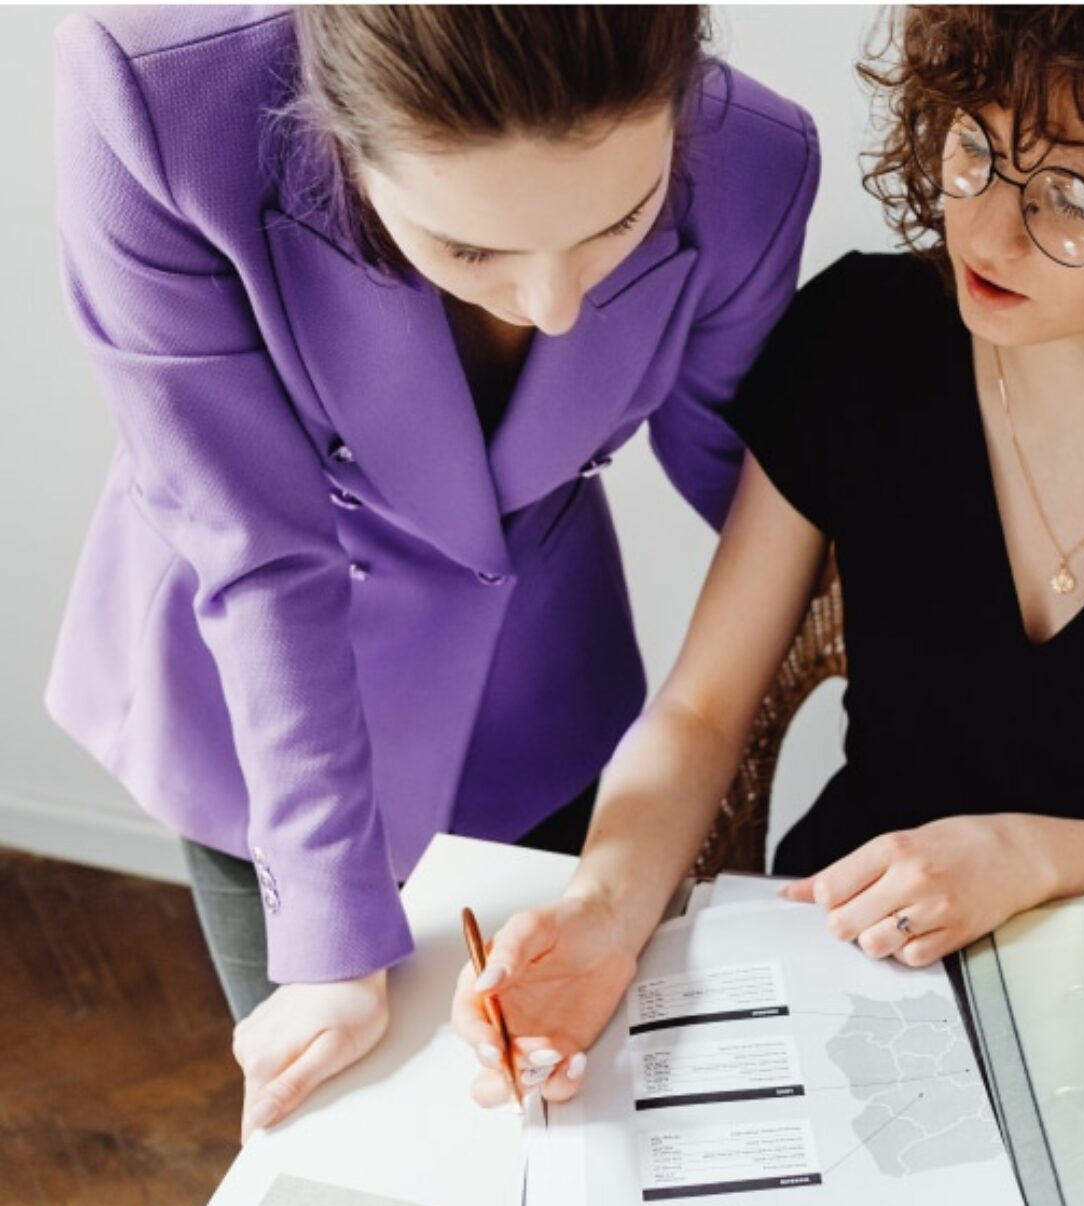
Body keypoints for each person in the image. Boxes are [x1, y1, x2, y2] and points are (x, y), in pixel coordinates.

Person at [453, 4, 1084, 1108]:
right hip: (851, 942)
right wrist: (602, 905)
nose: (985, 233)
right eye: (976, 150)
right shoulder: (862, 338)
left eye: (1069, 202)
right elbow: (703, 709)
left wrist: (1025, 856)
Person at [47, 4, 819, 1140]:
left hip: (537, 685)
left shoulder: (755, 163)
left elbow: (752, 486)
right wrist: (329, 932)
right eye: (470, 249)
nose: (556, 304)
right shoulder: (159, 103)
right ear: (338, 140)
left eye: (621, 221)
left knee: (549, 1119)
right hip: (260, 707)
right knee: (347, 1131)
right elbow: (252, 539)